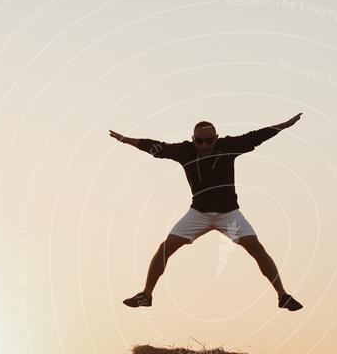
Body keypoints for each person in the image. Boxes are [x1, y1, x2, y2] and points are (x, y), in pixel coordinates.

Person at [109, 113, 304, 311]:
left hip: (229, 214)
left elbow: (256, 136)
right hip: (198, 213)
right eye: (199, 141)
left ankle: (283, 296)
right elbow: (156, 147)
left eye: (209, 141)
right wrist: (126, 140)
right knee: (165, 249)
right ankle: (146, 295)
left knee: (256, 248)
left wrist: (285, 125)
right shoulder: (185, 151)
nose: (204, 146)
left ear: (216, 138)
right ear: (193, 139)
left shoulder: (228, 146)